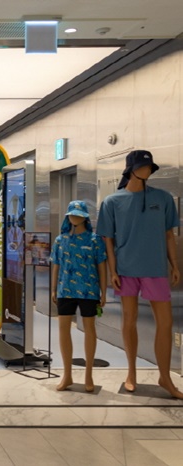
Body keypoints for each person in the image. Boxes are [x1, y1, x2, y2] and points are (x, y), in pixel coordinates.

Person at [97, 150, 183, 399]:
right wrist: (113, 270)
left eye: (149, 167)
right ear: (130, 170)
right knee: (129, 320)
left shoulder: (163, 198)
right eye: (142, 166)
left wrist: (174, 265)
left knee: (165, 323)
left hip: (155, 268)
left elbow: (169, 235)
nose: (147, 171)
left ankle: (165, 377)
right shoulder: (112, 202)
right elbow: (108, 240)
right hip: (126, 269)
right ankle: (131, 373)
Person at [50, 200, 107, 392]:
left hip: (89, 291)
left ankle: (89, 374)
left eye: (78, 215)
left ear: (85, 217)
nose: (75, 218)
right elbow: (56, 265)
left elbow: (101, 266)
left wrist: (104, 291)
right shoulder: (60, 240)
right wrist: (53, 289)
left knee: (89, 328)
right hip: (65, 289)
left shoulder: (94, 240)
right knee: (63, 329)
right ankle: (67, 375)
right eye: (72, 214)